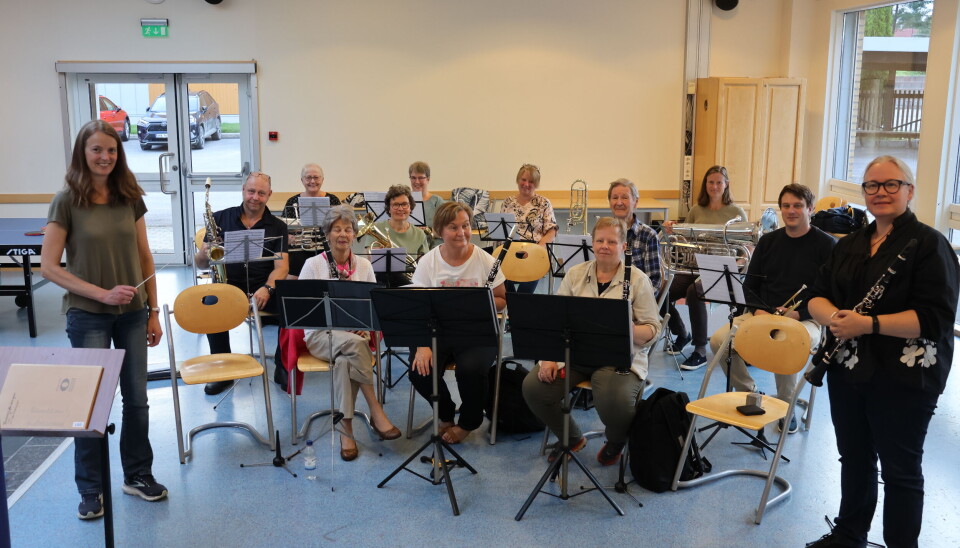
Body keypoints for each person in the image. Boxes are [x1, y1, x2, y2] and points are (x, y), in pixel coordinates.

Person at [805, 156, 959, 548]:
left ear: (910, 190)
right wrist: (836, 318)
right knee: (854, 457)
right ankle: (849, 534)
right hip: (848, 367)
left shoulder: (930, 244)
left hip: (905, 376)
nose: (881, 192)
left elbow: (935, 319)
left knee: (900, 470)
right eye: (872, 186)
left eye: (892, 184)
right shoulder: (850, 243)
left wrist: (868, 324)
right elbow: (816, 296)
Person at [40, 119, 168, 520]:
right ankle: (91, 488)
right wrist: (101, 294)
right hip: (88, 316)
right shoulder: (66, 201)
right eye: (97, 149)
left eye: (111, 150)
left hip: (133, 315)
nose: (105, 157)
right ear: (83, 152)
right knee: (91, 404)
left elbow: (145, 256)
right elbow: (48, 267)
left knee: (137, 401)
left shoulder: (130, 196)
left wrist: (152, 311)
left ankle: (138, 475)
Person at [522, 217, 661, 465]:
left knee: (614, 399)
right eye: (600, 240)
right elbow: (555, 321)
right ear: (592, 243)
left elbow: (653, 329)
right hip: (576, 354)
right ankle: (571, 437)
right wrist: (548, 359)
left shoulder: (637, 280)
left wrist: (628, 329)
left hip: (617, 358)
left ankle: (616, 439)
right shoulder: (575, 274)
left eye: (612, 242)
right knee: (534, 388)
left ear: (623, 246)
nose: (604, 246)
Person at [708, 184, 835, 434]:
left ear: (810, 208)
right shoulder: (768, 242)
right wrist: (760, 311)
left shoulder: (827, 245)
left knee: (784, 341)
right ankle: (750, 392)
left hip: (806, 318)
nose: (791, 211)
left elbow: (830, 292)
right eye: (786, 206)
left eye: (797, 205)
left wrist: (798, 313)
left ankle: (786, 407)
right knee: (719, 341)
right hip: (762, 313)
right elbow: (750, 286)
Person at [299, 205, 401, 461]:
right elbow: (303, 310)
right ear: (327, 234)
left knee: (346, 361)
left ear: (354, 235)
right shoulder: (313, 265)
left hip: (356, 336)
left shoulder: (364, 265)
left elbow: (372, 306)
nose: (342, 234)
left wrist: (362, 325)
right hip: (321, 336)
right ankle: (376, 409)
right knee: (356, 346)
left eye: (348, 229)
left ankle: (346, 430)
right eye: (336, 229)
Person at [409, 201, 506, 444]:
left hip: (476, 331)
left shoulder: (486, 261)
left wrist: (479, 302)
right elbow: (417, 307)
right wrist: (422, 345)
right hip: (437, 330)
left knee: (471, 370)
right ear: (439, 231)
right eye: (453, 227)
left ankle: (469, 422)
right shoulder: (428, 262)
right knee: (420, 371)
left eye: (465, 226)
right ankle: (445, 411)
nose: (461, 232)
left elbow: (503, 299)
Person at [195, 171, 289, 395]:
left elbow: (282, 267)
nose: (255, 197)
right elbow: (200, 265)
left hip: (263, 287)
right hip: (228, 286)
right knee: (210, 304)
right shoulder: (220, 218)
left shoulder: (278, 226)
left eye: (261, 193)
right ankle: (223, 370)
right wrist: (204, 254)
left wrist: (267, 288)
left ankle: (283, 365)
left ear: (269, 195)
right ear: (243, 190)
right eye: (251, 191)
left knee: (291, 303)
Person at [663, 165, 747, 370]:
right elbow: (685, 242)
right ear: (705, 184)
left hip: (720, 269)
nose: (714, 186)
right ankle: (682, 333)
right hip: (694, 265)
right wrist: (672, 231)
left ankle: (700, 350)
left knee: (694, 292)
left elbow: (747, 247)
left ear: (726, 184)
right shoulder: (696, 210)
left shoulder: (736, 212)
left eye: (719, 182)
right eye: (711, 182)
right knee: (661, 292)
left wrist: (736, 265)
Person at [499, 164, 558, 293]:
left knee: (525, 289)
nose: (526, 184)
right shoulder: (508, 202)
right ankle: (512, 300)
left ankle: (519, 301)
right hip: (510, 249)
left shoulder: (544, 203)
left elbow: (552, 231)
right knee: (498, 273)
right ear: (518, 180)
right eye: (523, 180)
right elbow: (501, 232)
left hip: (534, 250)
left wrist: (537, 249)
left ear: (536, 184)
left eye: (531, 181)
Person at [282, 163, 341, 279]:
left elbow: (340, 225)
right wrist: (288, 237)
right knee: (291, 278)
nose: (312, 181)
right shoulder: (292, 202)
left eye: (316, 177)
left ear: (322, 179)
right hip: (299, 251)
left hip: (326, 249)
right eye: (308, 178)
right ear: (302, 180)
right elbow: (283, 228)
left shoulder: (333, 200)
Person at [363, 184, 428, 287]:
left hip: (410, 284)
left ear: (410, 207)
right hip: (383, 282)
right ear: (389, 208)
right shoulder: (376, 228)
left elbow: (424, 266)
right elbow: (369, 259)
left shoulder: (419, 234)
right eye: (396, 205)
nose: (400, 208)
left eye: (405, 204)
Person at [608, 178, 662, 296]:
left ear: (635, 202)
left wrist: (633, 301)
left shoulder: (649, 235)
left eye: (625, 198)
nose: (619, 202)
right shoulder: (604, 233)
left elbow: (654, 283)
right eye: (615, 198)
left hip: (636, 299)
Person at [408, 161, 444, 245]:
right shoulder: (404, 201)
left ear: (428, 179)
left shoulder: (437, 201)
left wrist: (428, 230)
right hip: (409, 244)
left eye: (421, 178)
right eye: (413, 178)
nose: (417, 182)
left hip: (432, 246)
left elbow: (446, 229)